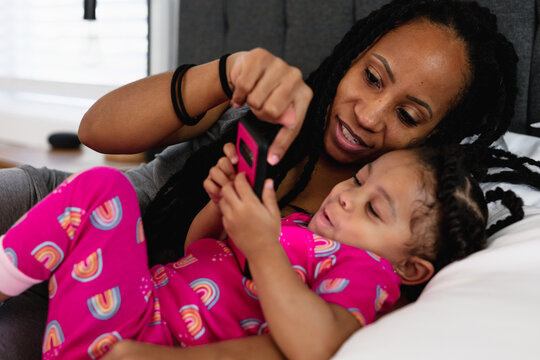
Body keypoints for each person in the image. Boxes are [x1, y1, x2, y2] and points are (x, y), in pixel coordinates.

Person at [0, 0, 532, 358]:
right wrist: (228, 73)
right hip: (70, 216)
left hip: (119, 305)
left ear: (439, 138)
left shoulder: (384, 243)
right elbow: (96, 130)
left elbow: (294, 344)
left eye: (409, 116)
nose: (369, 115)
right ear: (354, 54)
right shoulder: (273, 103)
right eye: (372, 77)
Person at [1, 142, 519, 360]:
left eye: (373, 210)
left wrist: (264, 246)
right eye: (359, 180)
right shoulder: (298, 224)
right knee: (103, 191)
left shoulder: (367, 272)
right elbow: (196, 251)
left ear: (409, 267)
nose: (345, 195)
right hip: (134, 306)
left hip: (142, 339)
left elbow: (316, 343)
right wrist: (222, 202)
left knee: (104, 192)